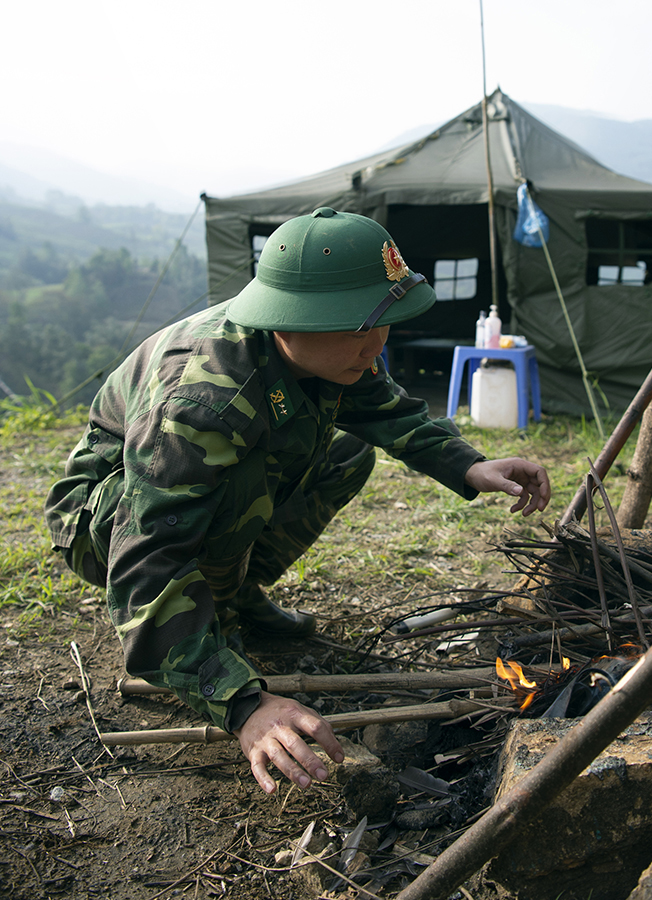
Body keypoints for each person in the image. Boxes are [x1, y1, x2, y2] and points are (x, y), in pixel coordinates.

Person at [45, 208, 550, 795]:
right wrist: (241, 704)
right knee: (239, 478)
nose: (375, 346)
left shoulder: (331, 345)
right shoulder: (203, 404)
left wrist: (468, 464)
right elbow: (147, 562)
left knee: (346, 453)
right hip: (105, 522)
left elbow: (382, 406)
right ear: (288, 321)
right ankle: (213, 621)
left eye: (382, 324)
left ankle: (235, 592)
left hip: (176, 509)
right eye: (359, 329)